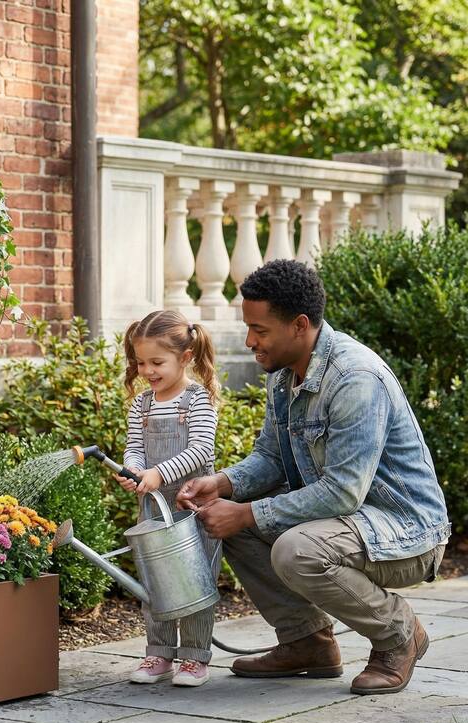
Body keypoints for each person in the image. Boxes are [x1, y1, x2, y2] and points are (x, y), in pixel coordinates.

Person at [177, 259, 450, 695]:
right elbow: (271, 457)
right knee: (226, 521)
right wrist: (224, 485)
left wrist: (247, 512)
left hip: (406, 532)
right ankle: (307, 642)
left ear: (300, 325)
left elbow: (343, 491)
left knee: (294, 549)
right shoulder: (283, 374)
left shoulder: (355, 378)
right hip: (348, 522)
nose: (250, 341)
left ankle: (400, 634)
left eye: (260, 330)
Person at [117, 310, 221, 687]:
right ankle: (158, 652)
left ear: (186, 357)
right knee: (156, 581)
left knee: (196, 582)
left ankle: (195, 658)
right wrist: (133, 471)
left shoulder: (197, 401)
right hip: (153, 506)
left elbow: (199, 451)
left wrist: (158, 474)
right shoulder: (141, 405)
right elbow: (134, 450)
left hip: (194, 507)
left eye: (157, 362)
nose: (147, 370)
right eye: (140, 362)